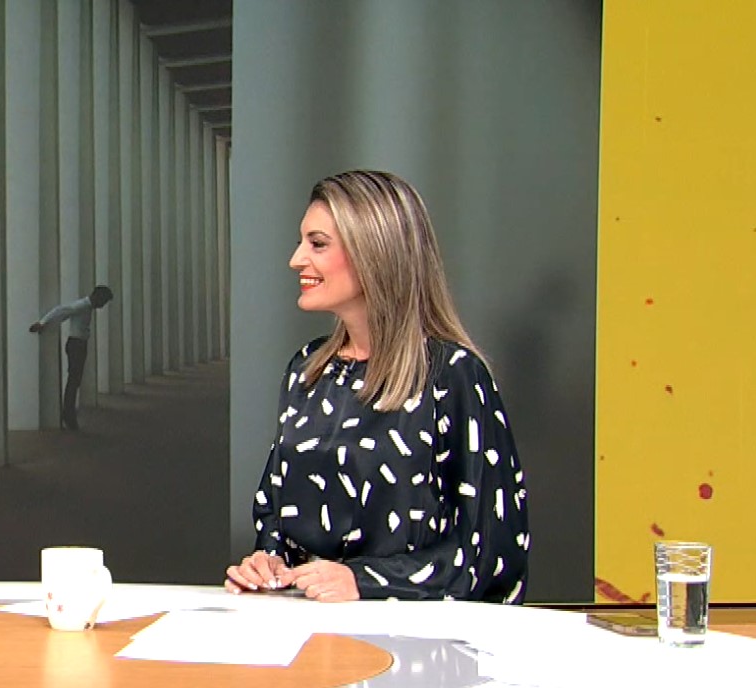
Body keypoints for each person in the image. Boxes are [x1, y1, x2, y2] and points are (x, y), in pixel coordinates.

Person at [224, 170, 529, 604]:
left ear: (375, 252)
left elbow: (490, 551)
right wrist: (268, 564)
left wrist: (364, 581)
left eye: (318, 244)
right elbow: (277, 513)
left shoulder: (453, 375)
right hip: (306, 623)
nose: (296, 259)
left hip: (410, 637)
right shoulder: (307, 371)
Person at [29, 286, 114, 431]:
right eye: (103, 301)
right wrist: (43, 322)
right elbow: (60, 310)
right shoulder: (81, 305)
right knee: (74, 380)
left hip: (78, 344)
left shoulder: (86, 307)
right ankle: (68, 413)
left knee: (75, 379)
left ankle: (69, 412)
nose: (103, 305)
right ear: (97, 297)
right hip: (76, 345)